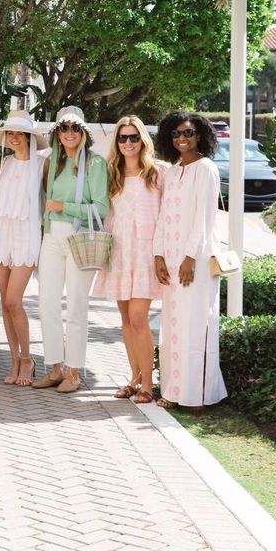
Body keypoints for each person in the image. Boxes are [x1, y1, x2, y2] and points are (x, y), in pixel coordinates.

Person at [153, 112, 227, 409]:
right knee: (173, 325)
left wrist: (188, 258)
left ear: (200, 136)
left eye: (188, 133)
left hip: (194, 260)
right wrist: (158, 254)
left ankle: (197, 396)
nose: (182, 139)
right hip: (170, 260)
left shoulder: (205, 169)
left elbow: (204, 218)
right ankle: (172, 391)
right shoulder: (172, 172)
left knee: (197, 325)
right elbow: (162, 217)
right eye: (176, 134)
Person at [34, 106, 109, 394]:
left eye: (74, 128)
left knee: (76, 306)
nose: (69, 133)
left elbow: (101, 207)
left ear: (83, 132)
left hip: (79, 237)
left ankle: (74, 372)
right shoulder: (52, 161)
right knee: (47, 304)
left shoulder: (95, 163)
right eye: (63, 128)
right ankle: (55, 367)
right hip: (52, 236)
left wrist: (64, 207)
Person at [92, 115, 164, 404]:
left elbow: (168, 216)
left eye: (134, 137)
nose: (128, 143)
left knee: (138, 318)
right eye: (123, 137)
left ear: (143, 140)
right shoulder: (111, 173)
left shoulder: (158, 172)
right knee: (125, 319)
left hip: (145, 253)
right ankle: (134, 378)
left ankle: (148, 383)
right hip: (119, 250)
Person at [0, 110, 43, 387]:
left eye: (20, 133)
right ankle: (12, 358)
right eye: (11, 133)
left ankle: (28, 358)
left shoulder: (41, 164)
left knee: (13, 301)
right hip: (2, 234)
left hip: (26, 235)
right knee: (4, 305)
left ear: (30, 137)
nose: (15, 138)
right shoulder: (5, 162)